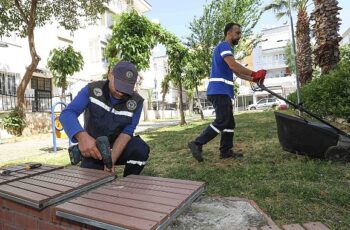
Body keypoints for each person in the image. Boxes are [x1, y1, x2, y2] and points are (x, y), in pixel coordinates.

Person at [188, 22, 266, 162]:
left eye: (240, 33)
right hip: (219, 91)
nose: (239, 36)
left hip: (222, 91)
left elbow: (236, 72)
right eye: (237, 33)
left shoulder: (227, 50)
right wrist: (255, 73)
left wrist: (254, 79)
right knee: (223, 120)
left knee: (229, 123)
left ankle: (225, 151)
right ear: (228, 33)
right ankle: (197, 143)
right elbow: (233, 65)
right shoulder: (224, 46)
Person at [59, 61, 149, 176]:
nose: (121, 92)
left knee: (140, 149)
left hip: (117, 147)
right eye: (119, 85)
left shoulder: (136, 102)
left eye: (126, 88)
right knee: (90, 186)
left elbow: (127, 133)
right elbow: (67, 114)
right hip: (95, 149)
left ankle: (128, 186)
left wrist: (110, 162)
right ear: (110, 75)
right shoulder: (91, 90)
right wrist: (82, 137)